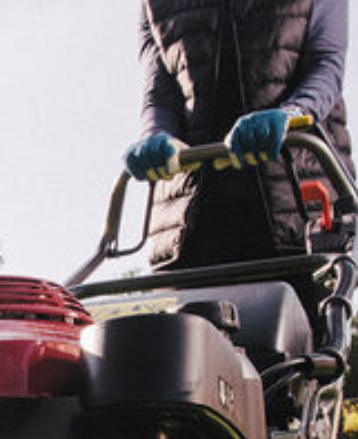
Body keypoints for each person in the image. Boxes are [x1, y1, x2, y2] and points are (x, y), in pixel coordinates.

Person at [123, 0, 353, 272]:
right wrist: (155, 133)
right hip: (192, 221)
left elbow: (326, 65)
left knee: (294, 311)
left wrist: (291, 114)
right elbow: (160, 93)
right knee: (188, 314)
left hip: (296, 207)